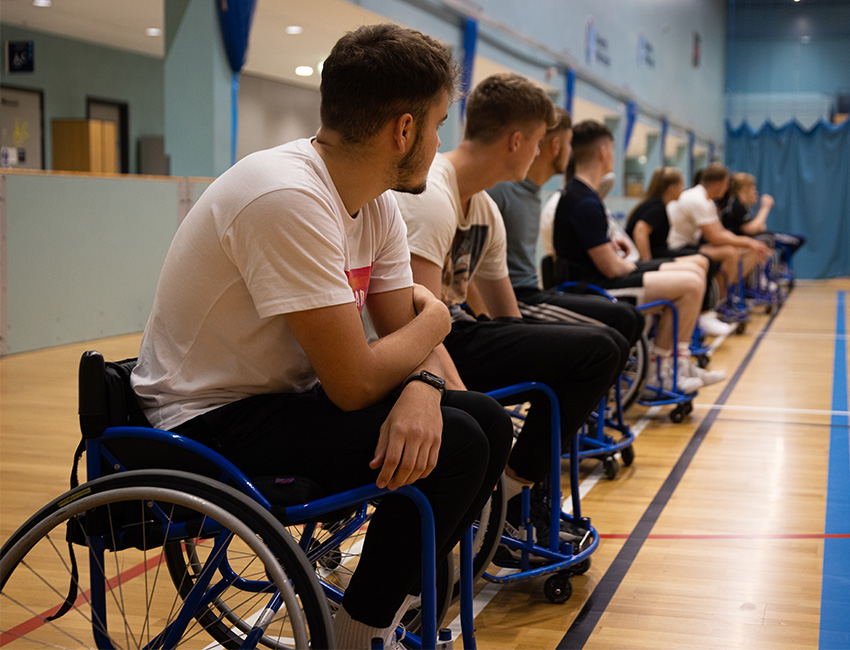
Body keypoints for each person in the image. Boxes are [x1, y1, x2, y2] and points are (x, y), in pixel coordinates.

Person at [130, 24, 513, 649]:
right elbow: (356, 381)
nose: (441, 141)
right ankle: (361, 631)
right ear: (405, 129)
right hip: (203, 421)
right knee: (460, 444)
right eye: (440, 123)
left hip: (278, 401)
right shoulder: (287, 195)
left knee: (484, 423)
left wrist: (426, 385)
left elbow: (401, 336)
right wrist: (438, 319)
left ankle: (388, 605)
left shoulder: (377, 201)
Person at [395, 74, 625, 542]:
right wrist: (466, 400)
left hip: (461, 333)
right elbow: (411, 323)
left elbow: (507, 317)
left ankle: (515, 489)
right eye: (541, 142)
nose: (542, 153)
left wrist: (541, 359)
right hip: (422, 344)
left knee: (601, 345)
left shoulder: (483, 208)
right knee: (600, 348)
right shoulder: (431, 197)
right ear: (518, 141)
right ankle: (511, 493)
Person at [552, 120, 725, 394]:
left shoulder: (581, 194)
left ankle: (675, 364)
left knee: (693, 273)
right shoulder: (583, 199)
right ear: (604, 152)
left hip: (598, 276)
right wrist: (632, 263)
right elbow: (611, 269)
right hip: (593, 287)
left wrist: (620, 255)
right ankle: (663, 372)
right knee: (691, 283)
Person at [486, 106, 645, 349]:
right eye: (570, 144)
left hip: (534, 292)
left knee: (626, 319)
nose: (572, 153)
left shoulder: (534, 191)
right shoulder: (502, 191)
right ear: (557, 146)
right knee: (616, 328)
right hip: (522, 297)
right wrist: (507, 322)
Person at [626, 166, 733, 336]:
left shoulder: (658, 204)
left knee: (703, 260)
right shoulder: (656, 207)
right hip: (654, 254)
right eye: (681, 186)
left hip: (660, 250)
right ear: (672, 188)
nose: (683, 191)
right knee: (702, 260)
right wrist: (646, 262)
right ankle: (703, 314)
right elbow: (640, 231)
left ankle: (702, 313)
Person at [667, 162, 771, 287]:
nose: (727, 189)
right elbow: (715, 237)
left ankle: (730, 292)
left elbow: (721, 231)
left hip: (690, 245)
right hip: (677, 247)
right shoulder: (697, 199)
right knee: (729, 253)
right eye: (727, 184)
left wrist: (750, 244)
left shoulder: (708, 201)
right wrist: (749, 242)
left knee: (749, 250)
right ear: (718, 184)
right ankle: (721, 299)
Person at [720, 172, 805, 263]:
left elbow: (760, 228)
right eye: (753, 188)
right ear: (744, 189)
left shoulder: (742, 205)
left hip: (744, 239)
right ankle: (780, 266)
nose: (755, 192)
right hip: (738, 241)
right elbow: (750, 229)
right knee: (795, 240)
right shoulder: (735, 203)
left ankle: (776, 267)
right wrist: (765, 207)